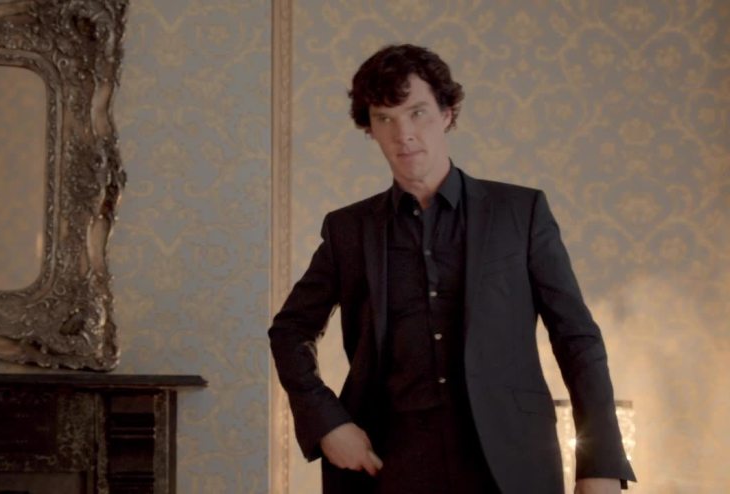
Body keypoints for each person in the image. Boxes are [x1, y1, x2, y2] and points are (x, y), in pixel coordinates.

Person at [269, 44, 636, 493]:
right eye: (385, 118)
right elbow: (289, 331)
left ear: (447, 113)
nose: (404, 134)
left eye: (417, 113)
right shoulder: (348, 229)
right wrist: (328, 424)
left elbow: (576, 337)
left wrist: (600, 464)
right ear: (370, 129)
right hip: (386, 465)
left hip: (511, 462)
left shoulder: (520, 213)